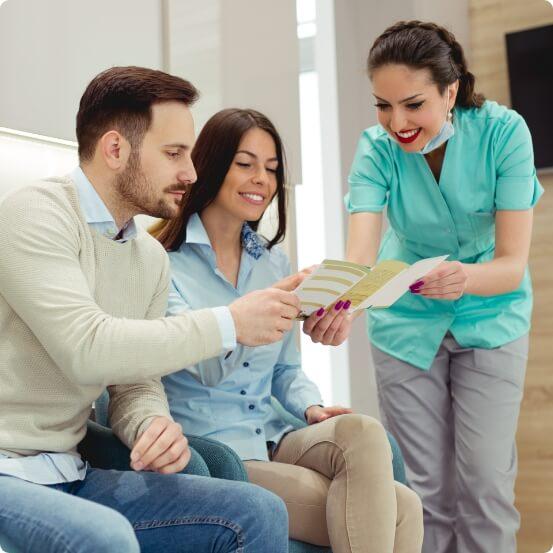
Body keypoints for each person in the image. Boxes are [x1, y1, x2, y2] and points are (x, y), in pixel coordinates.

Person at [0, 66, 295, 553]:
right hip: (6, 472)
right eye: (174, 153)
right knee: (106, 536)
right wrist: (230, 323)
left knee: (257, 510)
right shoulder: (36, 215)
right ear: (116, 149)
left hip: (70, 470)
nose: (192, 173)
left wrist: (151, 424)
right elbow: (87, 348)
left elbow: (134, 381)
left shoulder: (148, 258)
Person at [150, 108, 424, 553]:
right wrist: (253, 313)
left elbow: (285, 371)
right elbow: (205, 369)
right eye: (246, 164)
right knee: (403, 510)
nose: (261, 178)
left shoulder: (273, 262)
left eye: (272, 169)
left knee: (364, 432)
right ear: (211, 164)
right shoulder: (161, 263)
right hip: (218, 451)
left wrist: (310, 407)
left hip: (276, 434)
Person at [321, 20, 542, 553]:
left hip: (491, 312)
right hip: (404, 320)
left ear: (451, 90)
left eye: (413, 104)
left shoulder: (504, 133)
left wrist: (465, 278)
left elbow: (512, 264)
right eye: (382, 105)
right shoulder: (375, 149)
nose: (396, 122)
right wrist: (344, 305)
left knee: (486, 487)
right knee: (422, 493)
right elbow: (360, 254)